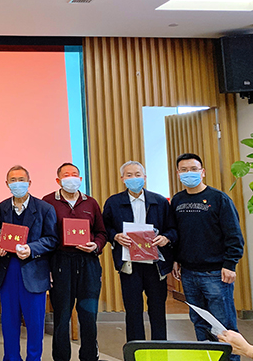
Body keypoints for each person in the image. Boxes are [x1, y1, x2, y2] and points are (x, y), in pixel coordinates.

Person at [171, 153, 245, 361]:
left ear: (202, 172)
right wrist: (176, 259)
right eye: (184, 170)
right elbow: (177, 233)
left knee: (224, 327)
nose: (189, 173)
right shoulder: (177, 200)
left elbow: (234, 235)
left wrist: (230, 264)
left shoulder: (219, 199)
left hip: (216, 274)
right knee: (199, 323)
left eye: (194, 169)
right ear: (178, 173)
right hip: (188, 273)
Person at [102, 161, 176, 342]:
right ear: (122, 179)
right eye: (129, 175)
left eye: (137, 174)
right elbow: (104, 228)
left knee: (157, 309)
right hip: (129, 264)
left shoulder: (160, 201)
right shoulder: (113, 202)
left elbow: (173, 229)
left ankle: (160, 347)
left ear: (144, 177)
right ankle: (136, 348)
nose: (133, 178)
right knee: (133, 310)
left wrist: (166, 238)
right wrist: (115, 236)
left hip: (155, 265)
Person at [0, 165, 58, 361]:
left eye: (21, 179)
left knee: (35, 323)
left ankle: (34, 358)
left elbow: (52, 239)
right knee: (9, 322)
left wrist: (32, 248)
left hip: (34, 271)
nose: (17, 183)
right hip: (8, 270)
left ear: (29, 183)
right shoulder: (1, 208)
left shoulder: (45, 208)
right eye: (13, 180)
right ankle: (11, 357)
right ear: (7, 184)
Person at [42, 162, 107, 361]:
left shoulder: (91, 203)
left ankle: (89, 355)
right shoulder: (48, 202)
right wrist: (47, 268)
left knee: (89, 314)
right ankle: (61, 357)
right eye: (66, 175)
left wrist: (95, 246)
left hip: (88, 262)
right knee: (62, 315)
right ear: (58, 180)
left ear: (80, 179)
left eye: (74, 174)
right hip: (60, 262)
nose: (71, 178)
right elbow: (43, 236)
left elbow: (102, 232)